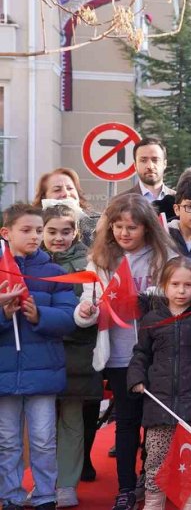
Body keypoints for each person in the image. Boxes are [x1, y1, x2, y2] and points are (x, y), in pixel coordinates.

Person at [74, 193, 177, 510]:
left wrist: (150, 296)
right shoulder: (100, 259)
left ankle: (152, 480)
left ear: (147, 227)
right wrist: (86, 312)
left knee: (156, 422)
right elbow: (87, 302)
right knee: (128, 421)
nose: (124, 233)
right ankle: (126, 487)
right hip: (120, 353)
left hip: (157, 352)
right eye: (118, 226)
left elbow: (180, 292)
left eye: (132, 227)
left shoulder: (164, 256)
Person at [127, 258, 191, 510]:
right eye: (175, 284)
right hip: (160, 402)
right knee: (156, 457)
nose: (181, 291)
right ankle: (154, 503)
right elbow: (141, 353)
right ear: (164, 285)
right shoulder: (152, 318)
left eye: (188, 285)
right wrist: (136, 378)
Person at [0, 204, 77, 510]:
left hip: (44, 370)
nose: (34, 236)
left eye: (38, 230)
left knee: (44, 439)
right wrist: (4, 315)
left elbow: (69, 317)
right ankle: (11, 496)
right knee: (8, 441)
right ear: (6, 233)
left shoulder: (54, 273)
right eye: (26, 230)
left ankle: (46, 495)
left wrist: (39, 316)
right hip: (4, 371)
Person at [42, 205, 99, 508]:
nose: (59, 238)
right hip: (40, 353)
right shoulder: (29, 262)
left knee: (72, 420)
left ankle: (66, 484)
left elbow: (92, 308)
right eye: (52, 231)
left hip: (76, 353)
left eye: (66, 231)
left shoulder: (89, 265)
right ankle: (44, 484)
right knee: (41, 425)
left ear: (76, 232)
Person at [32, 167, 102, 246]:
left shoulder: (98, 222)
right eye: (57, 190)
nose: (66, 193)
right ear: (44, 197)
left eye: (70, 188)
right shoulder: (33, 226)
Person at [125, 137, 175, 202]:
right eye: (143, 160)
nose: (150, 166)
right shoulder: (121, 202)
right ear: (135, 165)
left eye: (155, 160)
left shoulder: (180, 201)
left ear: (164, 164)